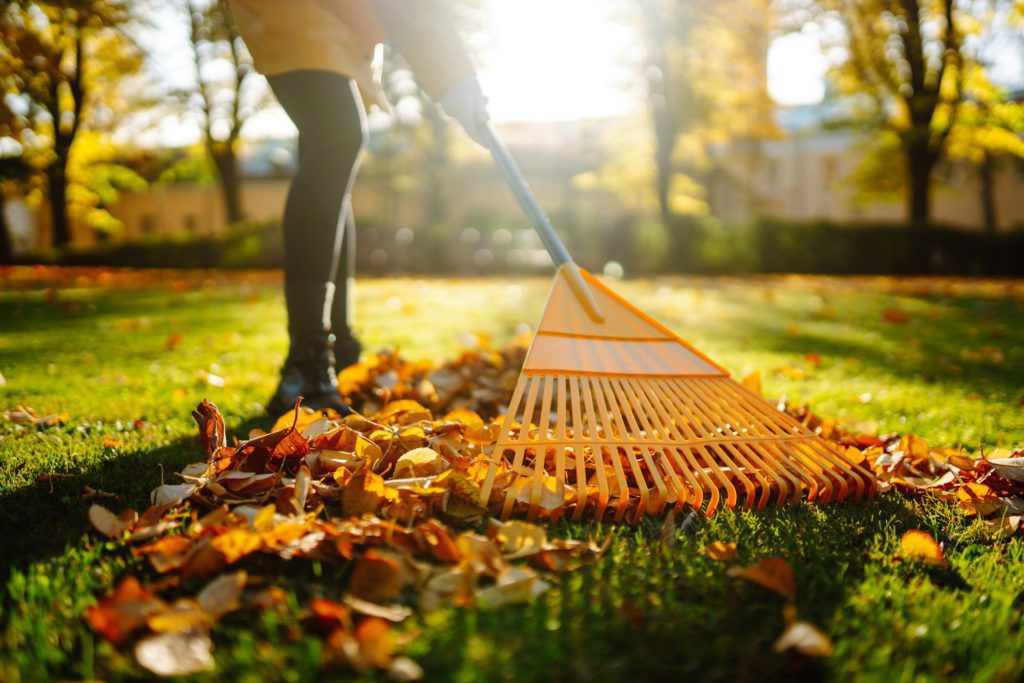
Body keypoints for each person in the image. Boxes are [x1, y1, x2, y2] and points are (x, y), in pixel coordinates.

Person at [226, 0, 490, 415]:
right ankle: (306, 364)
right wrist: (453, 74)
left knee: (330, 155)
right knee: (337, 135)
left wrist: (453, 75)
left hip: (342, 18)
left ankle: (339, 348)